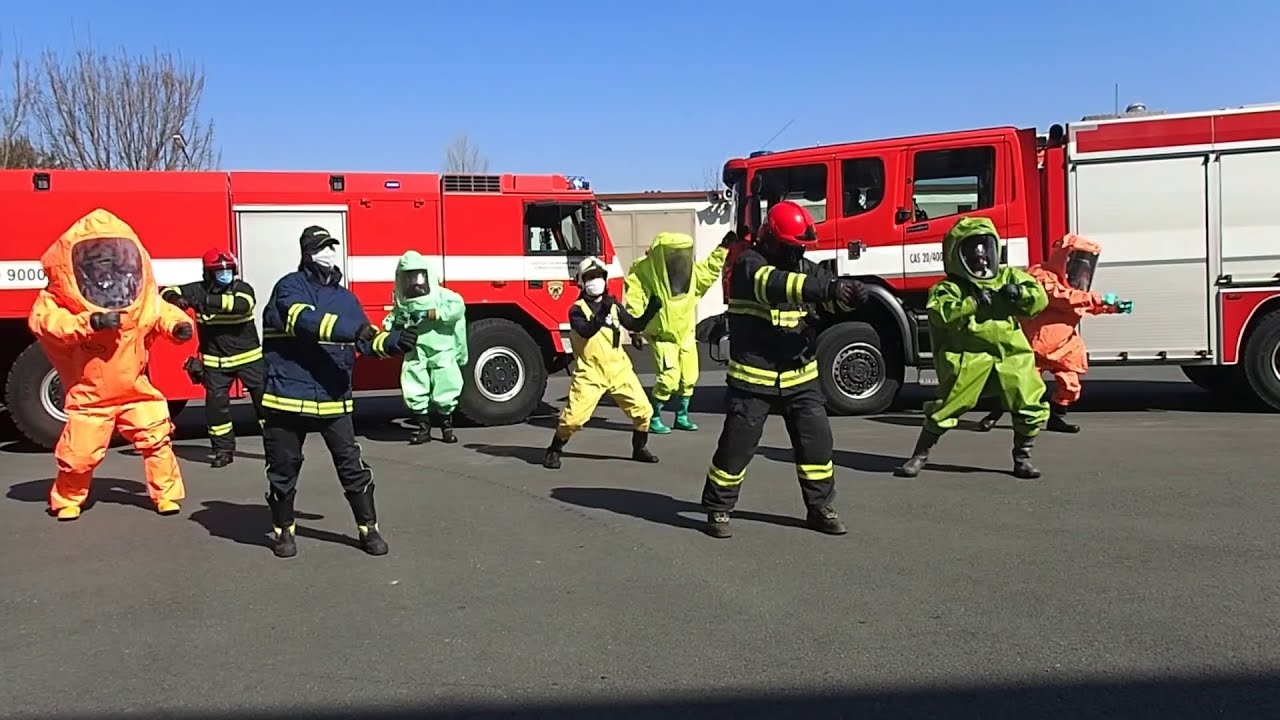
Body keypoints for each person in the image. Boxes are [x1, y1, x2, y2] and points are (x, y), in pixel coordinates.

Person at [700, 200, 869, 539]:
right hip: (754, 379)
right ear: (772, 240)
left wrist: (850, 294)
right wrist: (830, 287)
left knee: (816, 445)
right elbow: (774, 284)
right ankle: (718, 507)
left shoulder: (804, 266)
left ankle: (820, 507)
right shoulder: (749, 263)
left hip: (800, 376)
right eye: (791, 247)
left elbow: (826, 296)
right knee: (737, 447)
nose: (797, 253)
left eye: (800, 248)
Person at [260, 225, 416, 558]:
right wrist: (356, 330)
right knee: (283, 467)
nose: (329, 252)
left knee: (351, 466)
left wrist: (392, 343)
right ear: (307, 253)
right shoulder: (288, 287)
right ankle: (283, 532)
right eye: (321, 247)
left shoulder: (347, 298)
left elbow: (366, 339)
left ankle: (368, 529)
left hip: (332, 396)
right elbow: (303, 321)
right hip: (287, 396)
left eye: (332, 246)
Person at [28, 208, 194, 521]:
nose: (105, 264)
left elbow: (158, 310)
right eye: (97, 257)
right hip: (91, 395)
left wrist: (177, 326)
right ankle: (66, 499)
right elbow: (47, 322)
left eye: (109, 257)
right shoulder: (62, 296)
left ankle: (167, 495)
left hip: (135, 388)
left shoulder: (132, 289)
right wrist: (90, 321)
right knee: (79, 453)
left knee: (157, 438)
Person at [895, 217, 1050, 480]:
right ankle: (919, 455)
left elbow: (1039, 300)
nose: (981, 259)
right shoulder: (949, 287)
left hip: (1011, 353)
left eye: (985, 251)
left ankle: (1022, 457)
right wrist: (972, 303)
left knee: (1029, 401)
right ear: (958, 255)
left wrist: (1019, 294)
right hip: (969, 357)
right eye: (973, 253)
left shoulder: (1008, 276)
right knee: (948, 407)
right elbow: (940, 314)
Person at [975, 234, 1133, 433]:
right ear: (1065, 257)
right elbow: (1061, 298)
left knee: (1071, 385)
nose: (1081, 269)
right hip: (1036, 344)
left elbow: (1081, 304)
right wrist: (1099, 299)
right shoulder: (1041, 275)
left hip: (1064, 345)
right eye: (1077, 262)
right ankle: (995, 414)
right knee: (1019, 385)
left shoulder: (1077, 289)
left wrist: (1113, 307)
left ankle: (1057, 417)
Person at [542, 256, 662, 470]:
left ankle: (639, 448)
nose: (595, 281)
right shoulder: (577, 309)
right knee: (573, 420)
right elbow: (587, 331)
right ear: (581, 281)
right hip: (590, 373)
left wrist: (652, 309)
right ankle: (555, 449)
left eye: (598, 276)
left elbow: (633, 323)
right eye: (589, 277)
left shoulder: (613, 305)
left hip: (619, 369)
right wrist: (605, 310)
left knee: (644, 411)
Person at [160, 249, 265, 467]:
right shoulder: (197, 288)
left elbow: (243, 304)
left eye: (228, 270)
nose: (225, 274)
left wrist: (205, 300)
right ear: (208, 274)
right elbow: (165, 292)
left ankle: (276, 450)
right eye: (219, 271)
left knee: (265, 406)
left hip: (249, 360)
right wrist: (176, 299)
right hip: (215, 363)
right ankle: (223, 451)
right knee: (216, 411)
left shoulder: (242, 289)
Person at [623, 231, 728, 434]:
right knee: (668, 379)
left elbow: (707, 271)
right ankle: (654, 417)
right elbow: (635, 299)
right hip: (663, 336)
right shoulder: (645, 271)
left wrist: (722, 249)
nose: (677, 256)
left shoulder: (686, 272)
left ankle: (682, 416)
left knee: (689, 377)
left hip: (686, 334)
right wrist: (635, 329)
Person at [382, 250, 468, 445]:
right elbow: (391, 320)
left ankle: (447, 427)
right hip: (415, 350)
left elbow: (456, 309)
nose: (414, 282)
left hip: (441, 349)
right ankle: (423, 428)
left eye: (417, 276)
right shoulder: (403, 302)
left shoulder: (444, 296)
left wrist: (431, 314)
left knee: (447, 385)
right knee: (414, 385)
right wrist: (397, 323)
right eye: (408, 277)